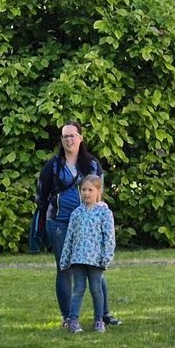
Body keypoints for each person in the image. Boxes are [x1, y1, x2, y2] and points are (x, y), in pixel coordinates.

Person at [36, 121, 121, 328]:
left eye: (72, 135)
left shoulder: (91, 164)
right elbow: (42, 194)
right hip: (59, 222)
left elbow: (99, 189)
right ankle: (68, 317)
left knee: (94, 267)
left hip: (89, 223)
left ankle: (104, 314)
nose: (69, 140)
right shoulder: (54, 165)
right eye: (65, 136)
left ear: (80, 138)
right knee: (64, 268)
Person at [59, 175, 116, 333]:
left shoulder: (104, 213)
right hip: (78, 259)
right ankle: (73, 320)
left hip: (95, 260)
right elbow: (69, 237)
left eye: (90, 190)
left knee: (96, 290)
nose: (86, 193)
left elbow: (109, 237)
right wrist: (65, 259)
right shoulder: (76, 213)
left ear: (98, 191)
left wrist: (106, 258)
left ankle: (99, 320)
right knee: (78, 289)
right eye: (83, 190)